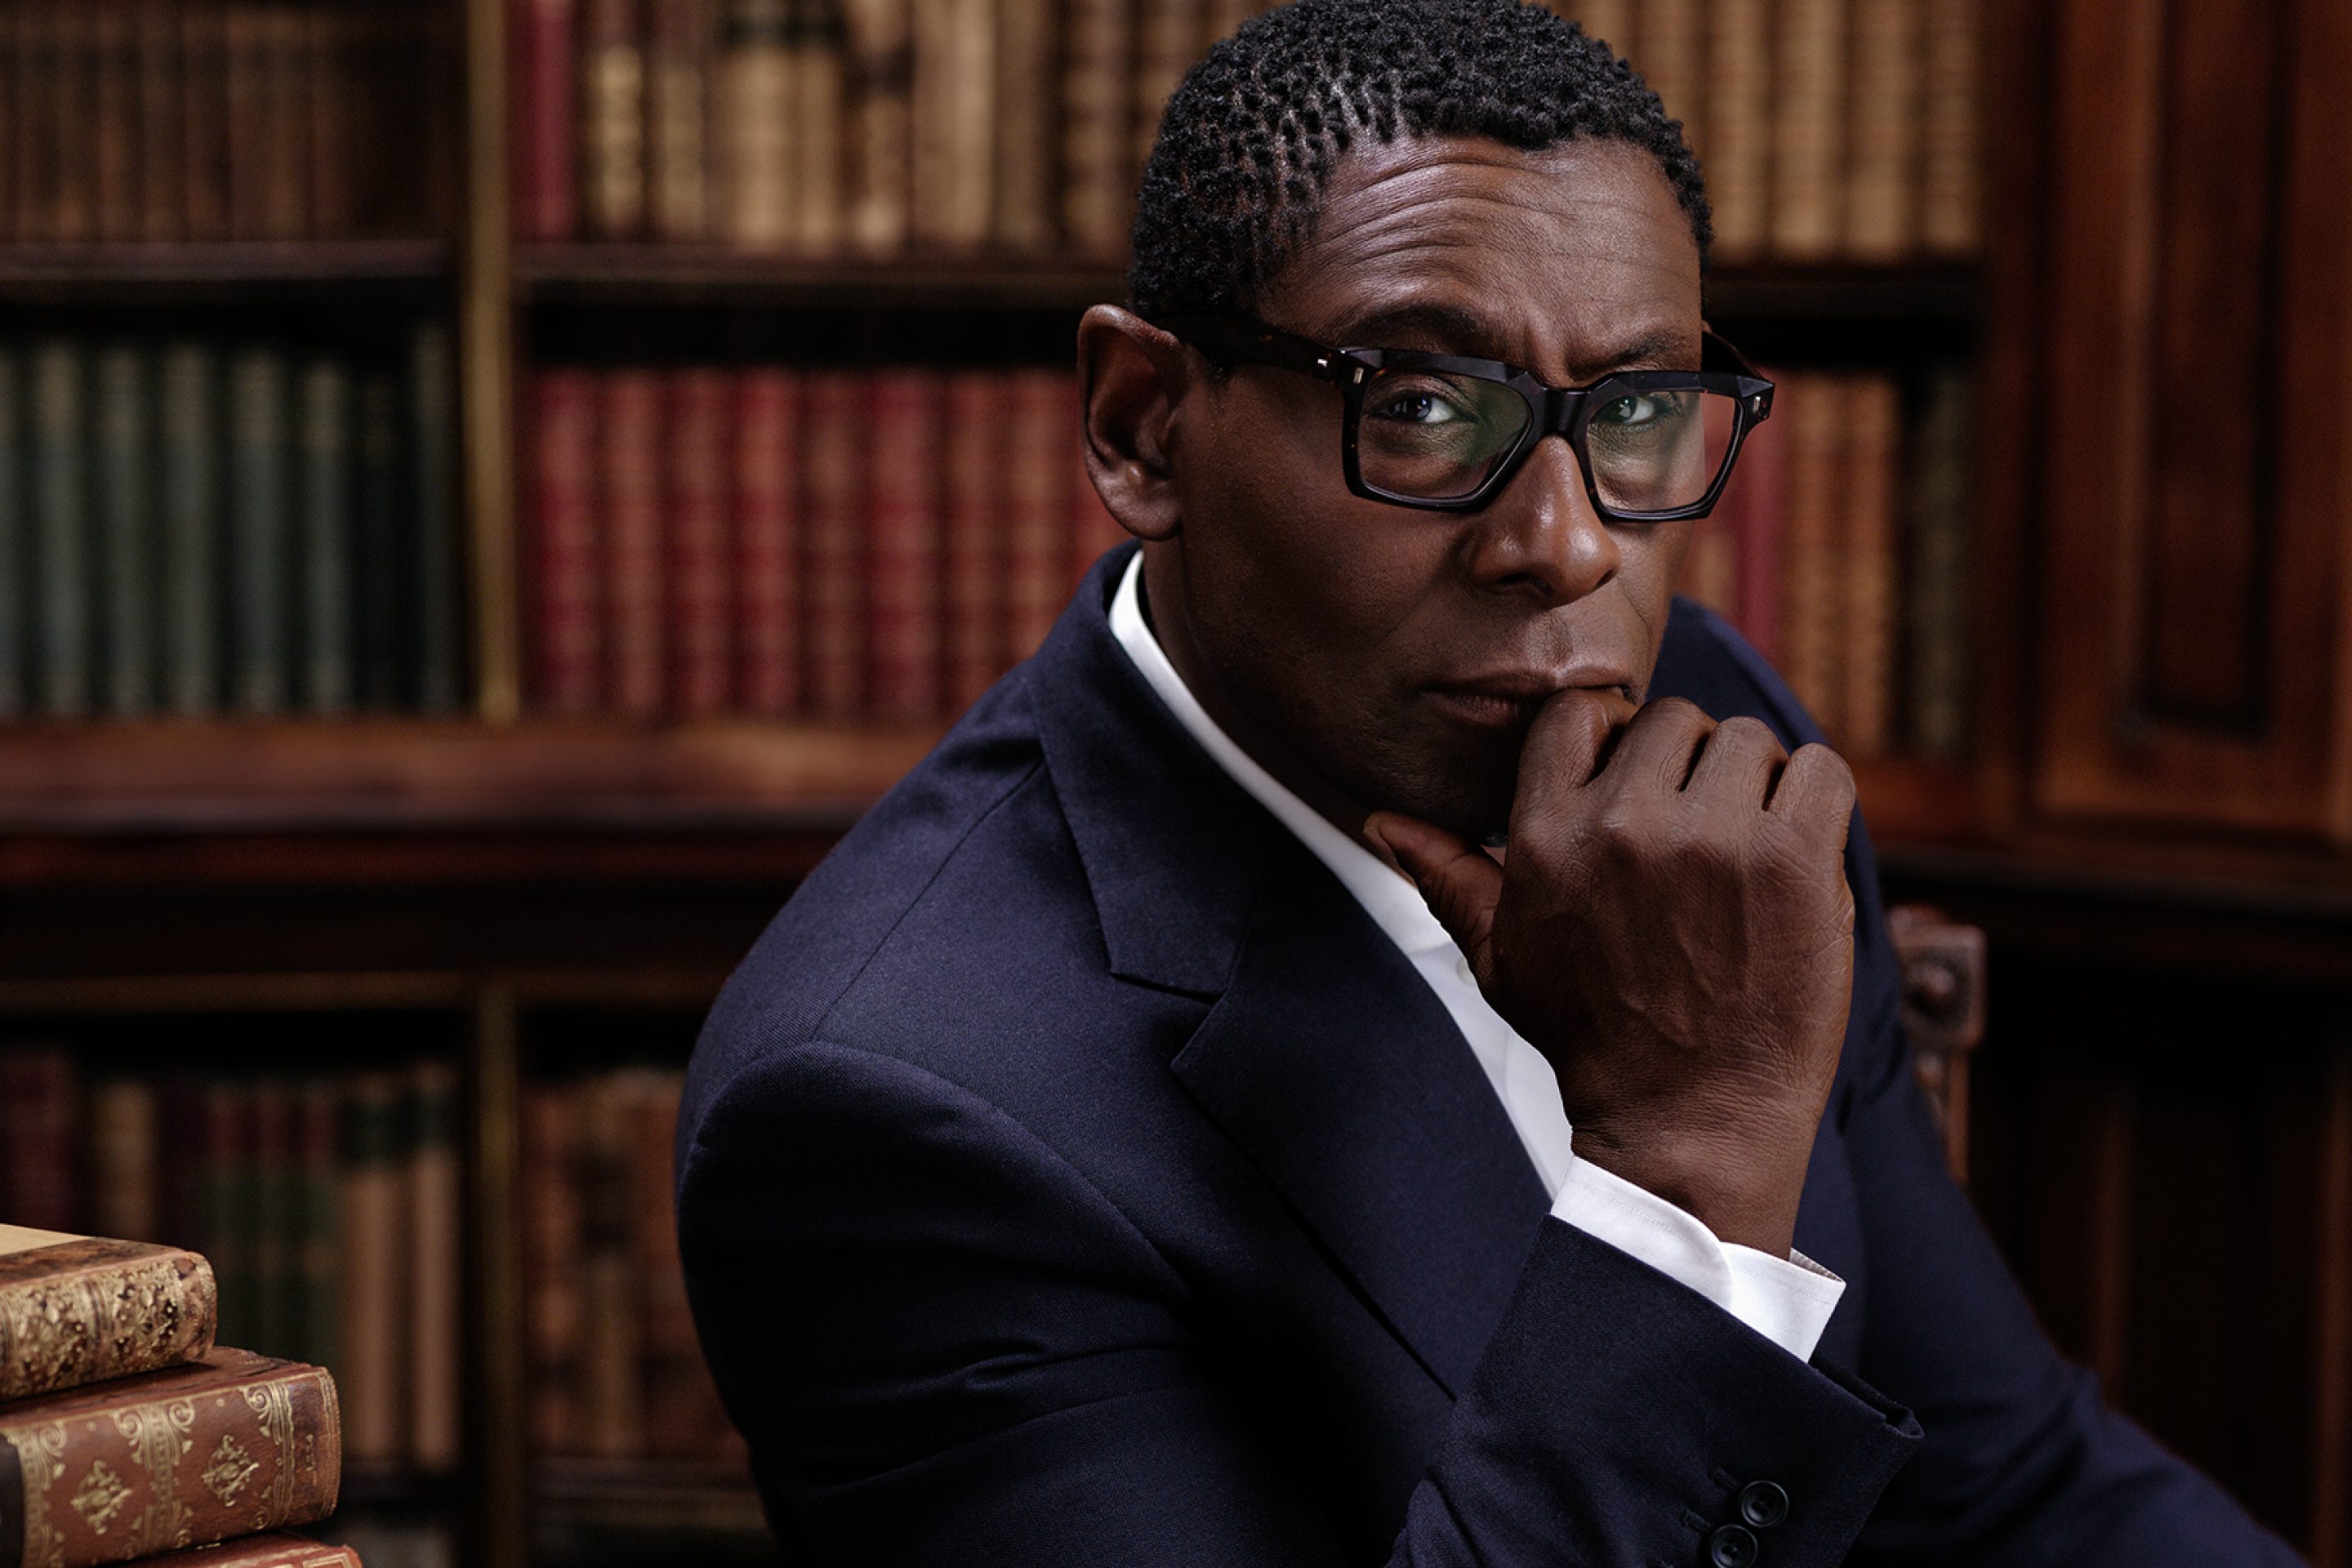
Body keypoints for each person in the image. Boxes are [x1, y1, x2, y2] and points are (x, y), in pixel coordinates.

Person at [675, 1, 2301, 1561]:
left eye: (1641, 411)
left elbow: (2005, 1488)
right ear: (1146, 426)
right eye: (1431, 407)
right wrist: (1687, 1168)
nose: (1570, 544)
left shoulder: (1713, 736)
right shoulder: (890, 1111)